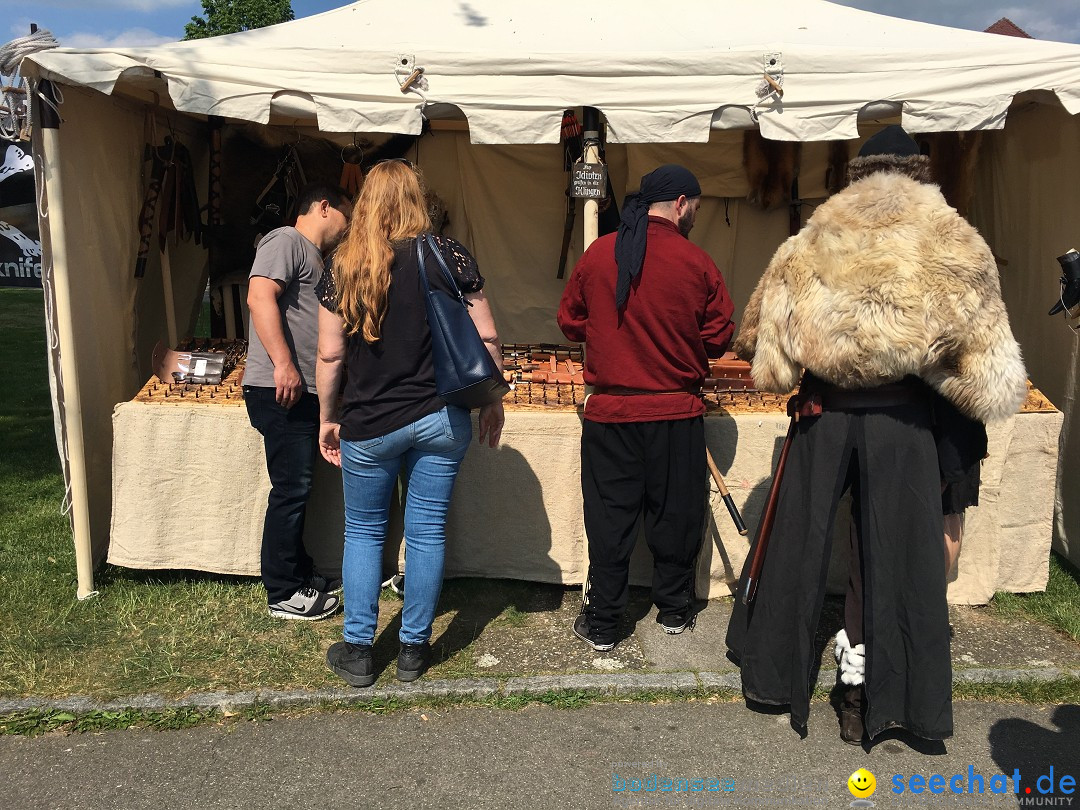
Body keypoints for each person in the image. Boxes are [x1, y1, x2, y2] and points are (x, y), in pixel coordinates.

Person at [725, 126, 1027, 744]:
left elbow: (766, 356)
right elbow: (990, 377)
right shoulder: (952, 237)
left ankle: (775, 678)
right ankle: (892, 702)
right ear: (920, 171)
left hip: (824, 418)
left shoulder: (811, 236)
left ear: (857, 174)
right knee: (902, 560)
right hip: (903, 424)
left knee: (796, 547)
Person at [316, 159, 505, 687]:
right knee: (425, 532)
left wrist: (328, 416)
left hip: (368, 421)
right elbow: (487, 338)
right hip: (440, 417)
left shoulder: (343, 263)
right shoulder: (446, 254)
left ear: (367, 204)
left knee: (364, 531)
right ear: (417, 200)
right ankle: (413, 652)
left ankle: (358, 651)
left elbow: (330, 357)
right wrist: (493, 399)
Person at [557, 164, 735, 651]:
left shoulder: (599, 255)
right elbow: (720, 335)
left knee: (610, 520)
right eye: (695, 208)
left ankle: (604, 622)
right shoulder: (696, 262)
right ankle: (674, 609)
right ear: (680, 203)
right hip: (675, 418)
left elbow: (569, 322)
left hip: (612, 417)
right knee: (674, 517)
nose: (695, 216)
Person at [244, 182, 352, 620]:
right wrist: (284, 364)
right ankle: (283, 591)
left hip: (301, 389)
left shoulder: (312, 256)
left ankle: (298, 570)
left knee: (299, 488)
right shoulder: (285, 239)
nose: (348, 229)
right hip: (282, 387)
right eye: (347, 217)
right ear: (324, 207)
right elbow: (258, 295)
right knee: (291, 489)